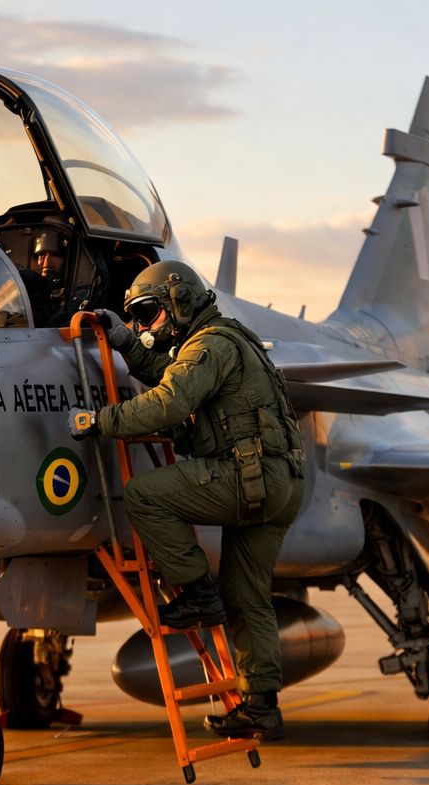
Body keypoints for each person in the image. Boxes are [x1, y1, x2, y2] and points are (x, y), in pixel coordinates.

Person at [69, 260, 305, 741]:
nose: (145, 325)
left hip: (247, 478)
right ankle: (262, 707)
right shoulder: (226, 340)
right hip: (280, 485)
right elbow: (172, 377)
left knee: (144, 495)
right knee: (247, 596)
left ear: (178, 301)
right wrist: (127, 343)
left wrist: (98, 421)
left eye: (149, 313)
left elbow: (169, 402)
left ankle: (196, 595)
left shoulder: (209, 345)